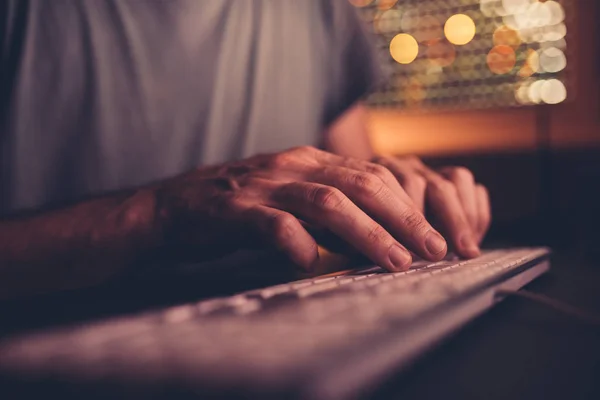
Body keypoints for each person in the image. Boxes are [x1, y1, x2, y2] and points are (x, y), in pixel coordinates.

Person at [0, 0, 490, 300]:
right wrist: (158, 213)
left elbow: (360, 183)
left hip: (279, 341)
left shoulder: (319, 9)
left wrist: (400, 196)